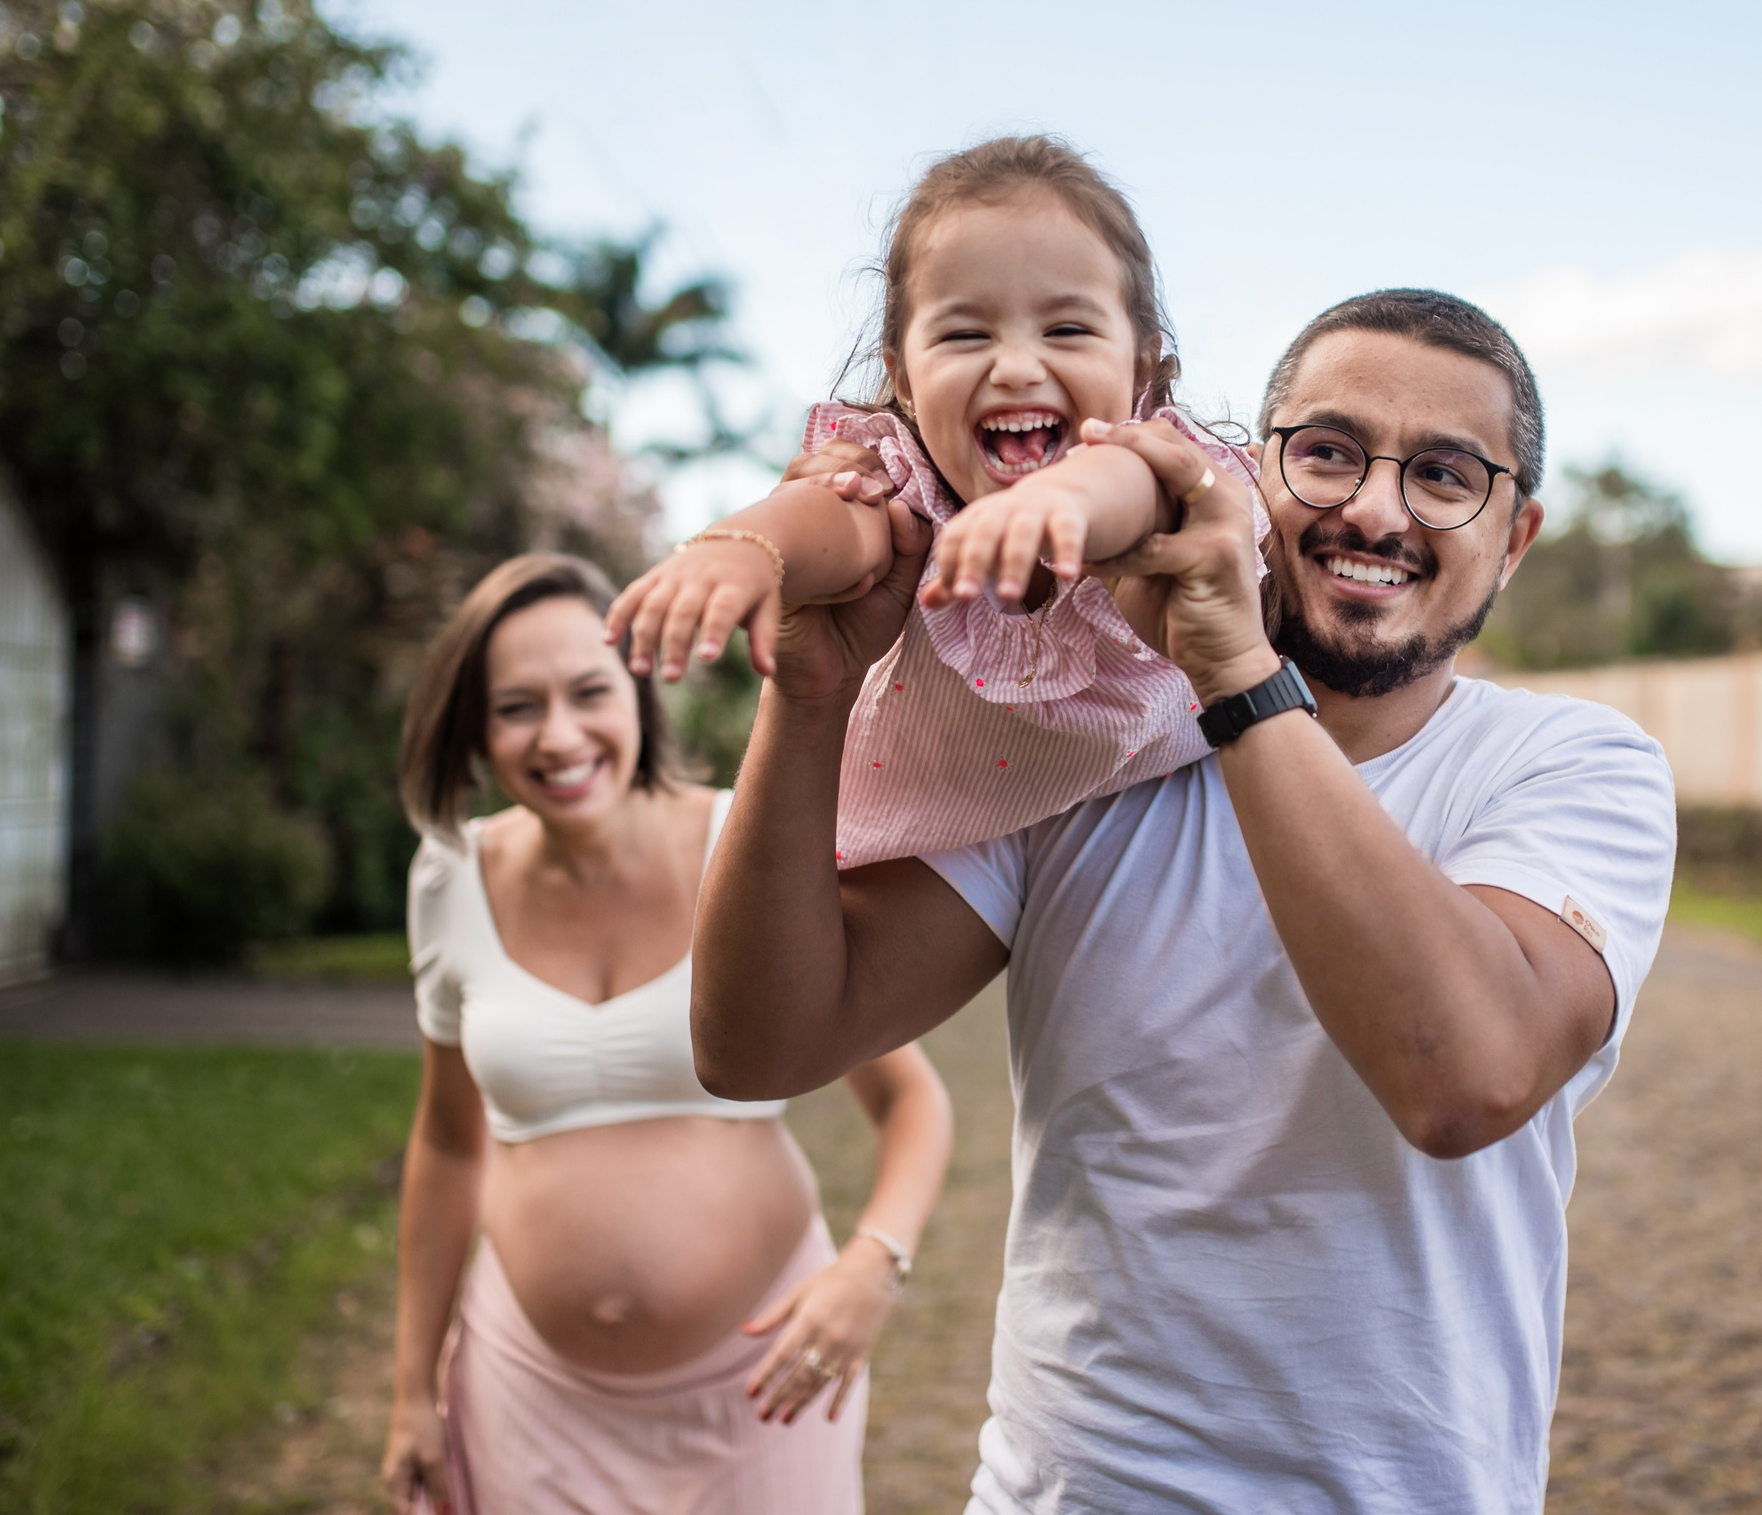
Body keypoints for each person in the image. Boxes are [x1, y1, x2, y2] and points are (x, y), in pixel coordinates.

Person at [692, 290, 1678, 1512]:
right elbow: (759, 1043)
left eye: (1443, 475)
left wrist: (1233, 674)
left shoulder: (1573, 764)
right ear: (1245, 469)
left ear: (1515, 535)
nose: (1374, 507)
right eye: (1325, 452)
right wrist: (809, 693)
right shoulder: (1081, 739)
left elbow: (1463, 1075)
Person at [379, 552, 953, 1515]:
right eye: (517, 706)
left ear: (640, 694)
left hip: (764, 1393)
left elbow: (911, 1099)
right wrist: (409, 1394)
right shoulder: (448, 878)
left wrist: (872, 1264)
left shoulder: (750, 843)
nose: (558, 736)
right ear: (475, 730)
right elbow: (445, 1139)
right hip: (531, 1398)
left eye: (587, 692)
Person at [604, 135, 1263, 872]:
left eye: (1068, 329)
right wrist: (744, 545)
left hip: (1170, 786)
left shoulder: (1155, 468)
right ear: (905, 378)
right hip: (943, 836)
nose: (1015, 366)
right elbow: (836, 521)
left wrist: (1062, 495)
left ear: (1140, 362)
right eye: (965, 333)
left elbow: (1133, 490)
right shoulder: (908, 485)